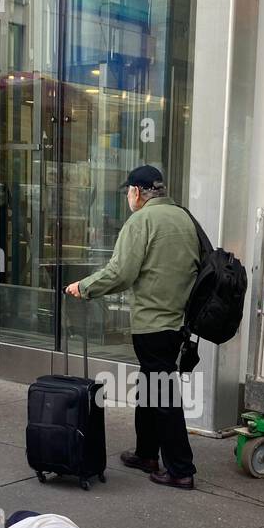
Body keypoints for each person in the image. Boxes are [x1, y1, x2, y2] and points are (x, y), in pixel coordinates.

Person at [65, 165, 200, 491]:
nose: (128, 196)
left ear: (137, 192)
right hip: (178, 322)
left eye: (129, 191)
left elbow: (121, 272)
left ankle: (180, 469)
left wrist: (84, 287)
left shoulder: (141, 221)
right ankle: (146, 453)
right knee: (150, 386)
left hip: (153, 322)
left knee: (163, 394)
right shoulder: (184, 218)